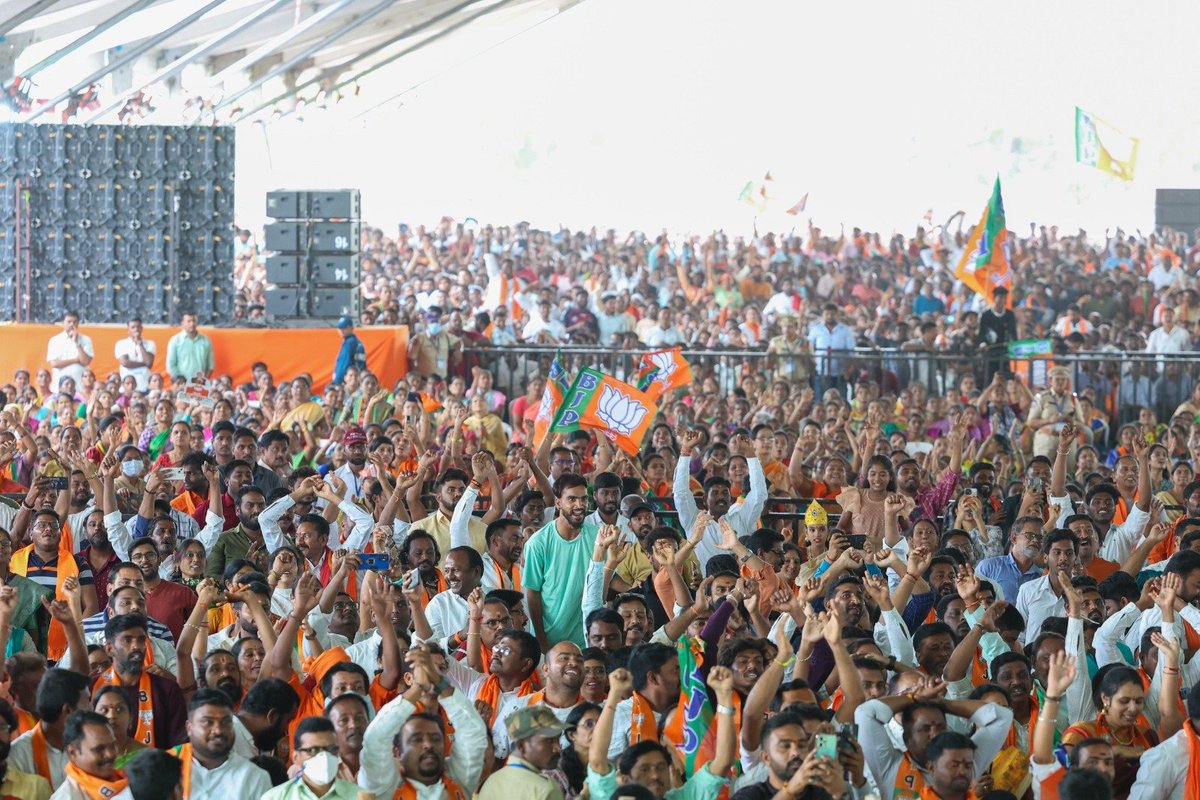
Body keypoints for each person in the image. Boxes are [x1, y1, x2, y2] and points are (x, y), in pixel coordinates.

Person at [170, 688, 272, 798]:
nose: (218, 730)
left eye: (225, 722)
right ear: (189, 728)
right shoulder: (166, 767)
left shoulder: (254, 777)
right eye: (207, 722)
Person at [477, 706, 566, 800]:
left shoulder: (491, 781)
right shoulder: (546, 789)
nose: (558, 748)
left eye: (558, 739)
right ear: (521, 746)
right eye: (549, 741)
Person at [262, 716, 359, 799]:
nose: (324, 756)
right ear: (296, 758)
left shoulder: (360, 796)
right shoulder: (275, 797)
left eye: (331, 749)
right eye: (313, 750)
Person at [53, 710, 129, 800]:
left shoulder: (127, 779)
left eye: (112, 746)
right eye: (99, 749)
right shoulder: (67, 797)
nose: (110, 754)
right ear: (73, 753)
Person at [46, 311, 94, 392]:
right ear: (63, 323)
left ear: (78, 324)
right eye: (69, 322)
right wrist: (76, 360)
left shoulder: (86, 340)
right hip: (60, 388)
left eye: (74, 322)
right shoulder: (55, 340)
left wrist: (77, 343)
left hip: (80, 388)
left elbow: (85, 361)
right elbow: (55, 363)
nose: (72, 324)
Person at [165, 312, 214, 380]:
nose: (192, 324)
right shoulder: (175, 340)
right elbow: (170, 366)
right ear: (183, 323)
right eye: (189, 321)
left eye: (194, 321)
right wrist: (181, 381)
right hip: (181, 384)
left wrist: (204, 381)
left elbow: (210, 366)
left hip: (200, 384)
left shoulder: (205, 340)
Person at [113, 319, 157, 392]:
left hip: (145, 384)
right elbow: (125, 362)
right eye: (133, 327)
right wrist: (144, 363)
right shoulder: (121, 344)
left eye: (138, 327)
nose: (136, 329)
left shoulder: (150, 343)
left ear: (142, 329)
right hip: (127, 386)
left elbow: (149, 362)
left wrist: (140, 343)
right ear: (128, 330)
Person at [331, 317, 367, 386]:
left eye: (344, 328)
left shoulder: (349, 344)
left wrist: (336, 383)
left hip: (347, 382)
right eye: (339, 328)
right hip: (357, 380)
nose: (341, 330)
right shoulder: (358, 343)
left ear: (351, 328)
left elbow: (343, 366)